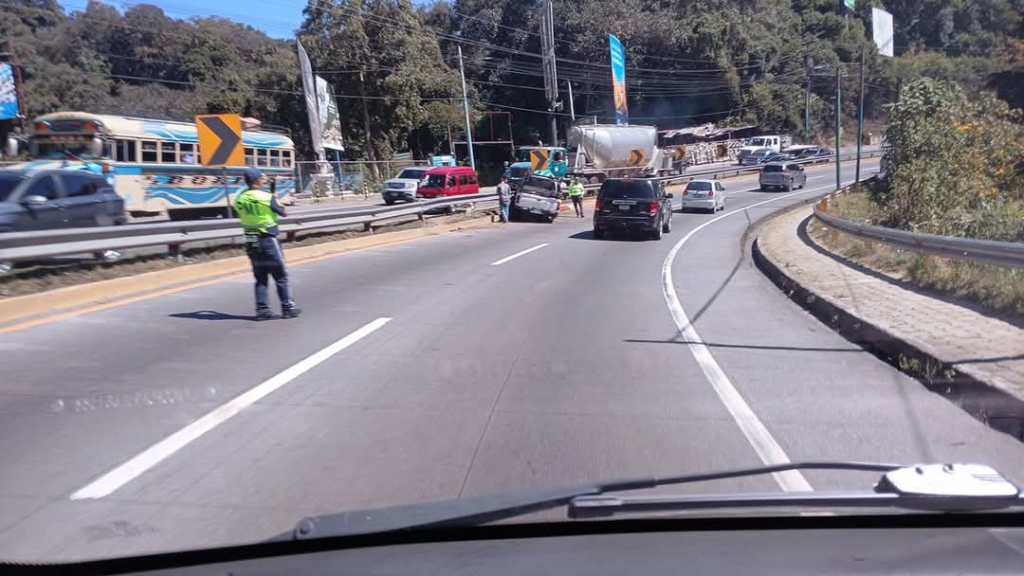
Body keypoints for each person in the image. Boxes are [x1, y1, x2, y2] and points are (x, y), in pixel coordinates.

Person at [234, 168, 301, 320]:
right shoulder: (266, 197)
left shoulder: (240, 198)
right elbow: (283, 212)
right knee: (280, 274)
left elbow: (241, 212)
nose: (264, 178)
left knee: (260, 276)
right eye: (262, 176)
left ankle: (262, 310)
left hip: (251, 238)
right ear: (257, 180)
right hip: (268, 237)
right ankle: (287, 307)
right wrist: (277, 201)